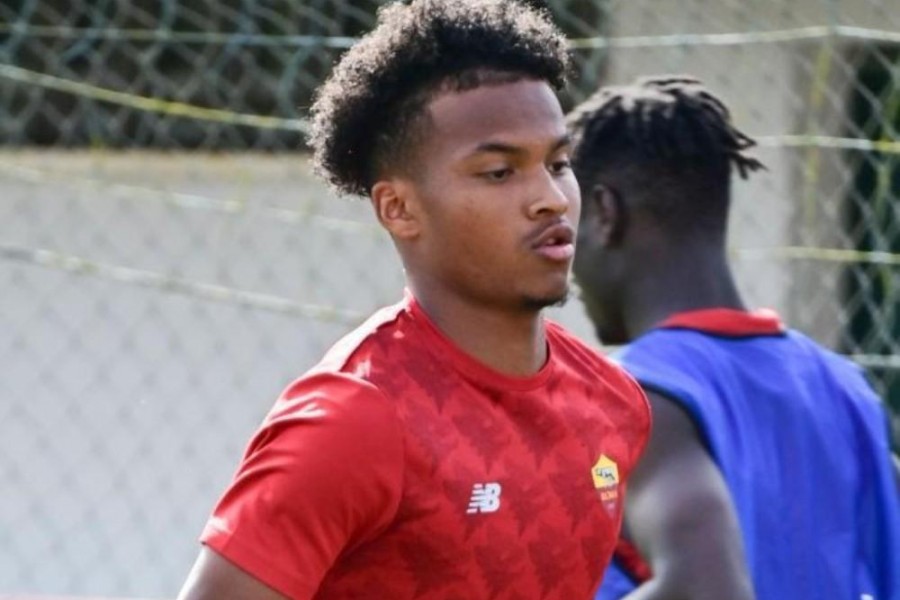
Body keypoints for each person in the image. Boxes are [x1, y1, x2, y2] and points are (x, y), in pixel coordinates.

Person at [176, 2, 651, 599]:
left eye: (558, 163)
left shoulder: (613, 402)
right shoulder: (355, 419)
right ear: (399, 209)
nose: (551, 198)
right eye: (500, 173)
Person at [567, 75, 900, 600]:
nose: (567, 264)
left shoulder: (637, 396)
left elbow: (705, 589)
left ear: (606, 214)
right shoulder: (849, 391)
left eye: (569, 226)